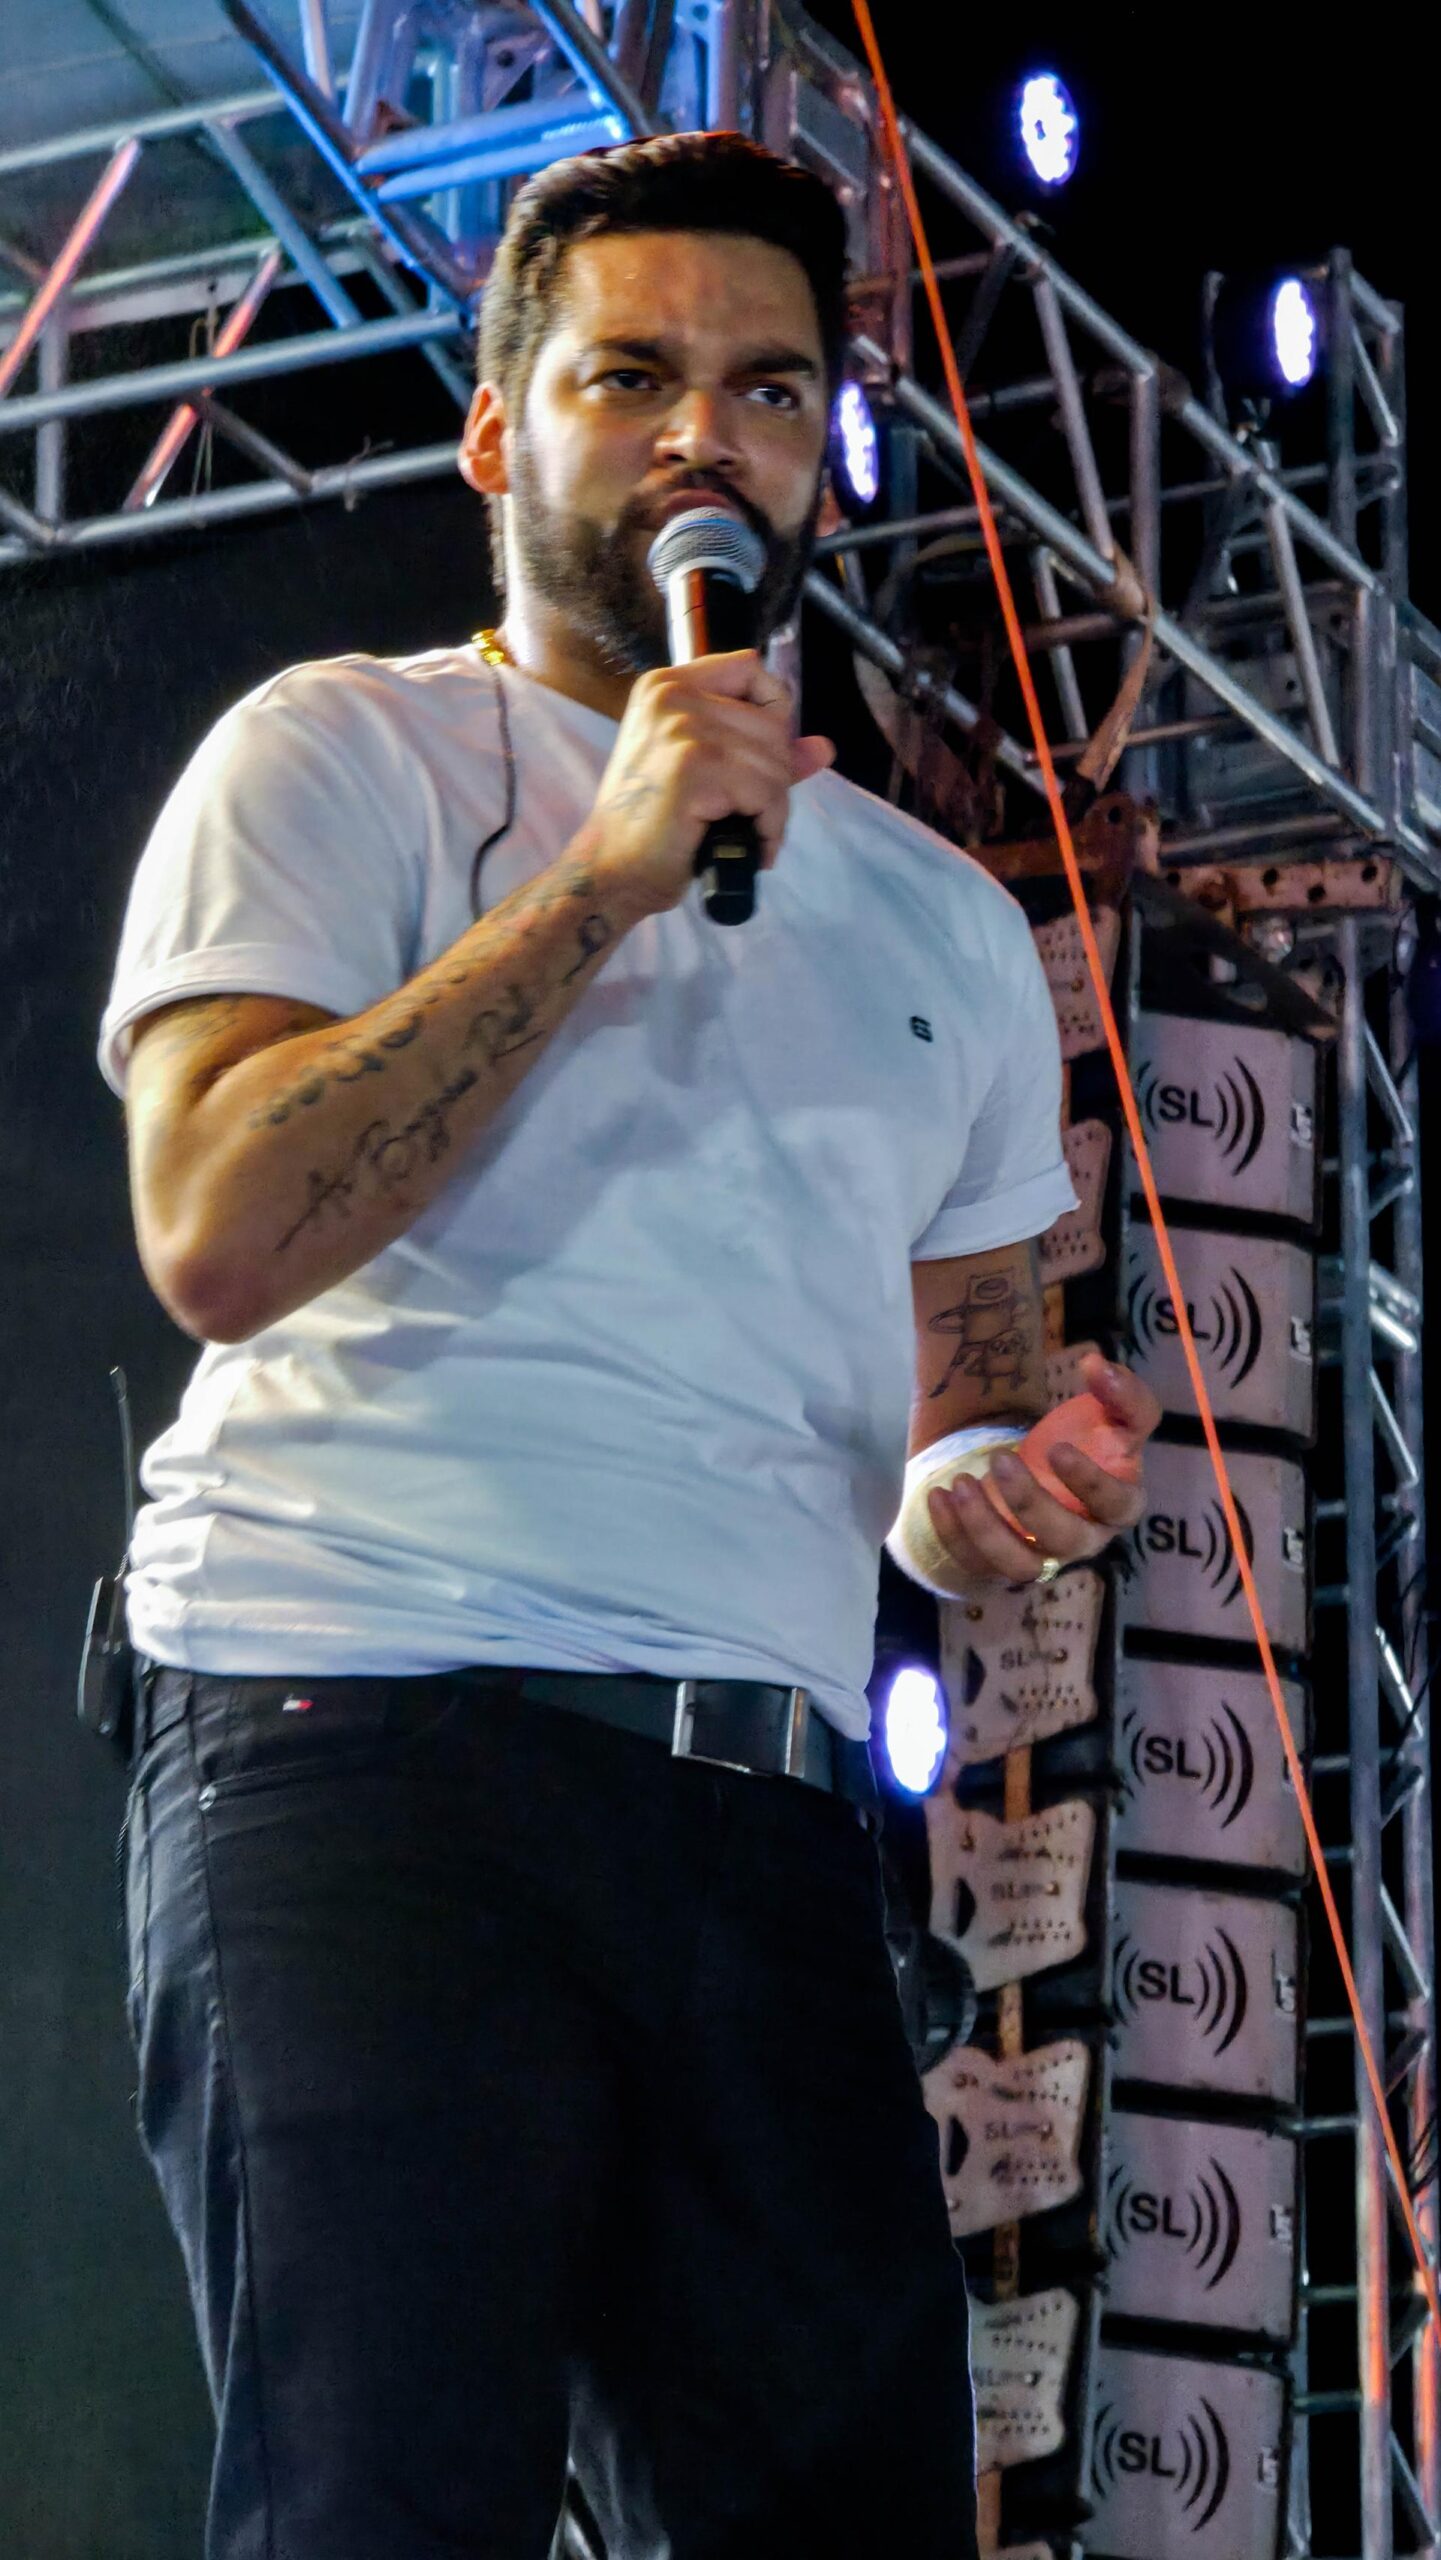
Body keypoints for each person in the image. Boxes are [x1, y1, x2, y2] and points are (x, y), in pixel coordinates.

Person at [102, 131, 1158, 2560]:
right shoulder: (336, 752)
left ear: (822, 456)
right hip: (359, 1731)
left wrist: (998, 1486)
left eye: (769, 388)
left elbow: (961, 1411)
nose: (707, 434)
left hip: (759, 1809)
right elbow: (217, 1228)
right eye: (632, 376)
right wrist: (606, 868)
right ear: (501, 432)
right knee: (386, 2511)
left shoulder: (942, 924)